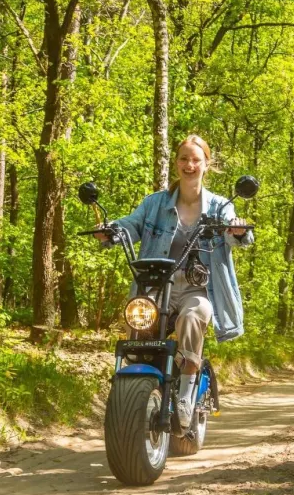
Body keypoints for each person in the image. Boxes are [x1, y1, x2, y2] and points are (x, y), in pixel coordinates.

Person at [106, 135, 253, 426]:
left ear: (207, 164)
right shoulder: (154, 204)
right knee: (140, 318)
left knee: (193, 315)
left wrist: (237, 231)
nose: (189, 165)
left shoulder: (221, 207)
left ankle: (186, 392)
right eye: (184, 158)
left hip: (197, 288)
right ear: (176, 163)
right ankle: (136, 390)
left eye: (196, 159)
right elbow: (129, 225)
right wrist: (110, 230)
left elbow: (238, 236)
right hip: (157, 285)